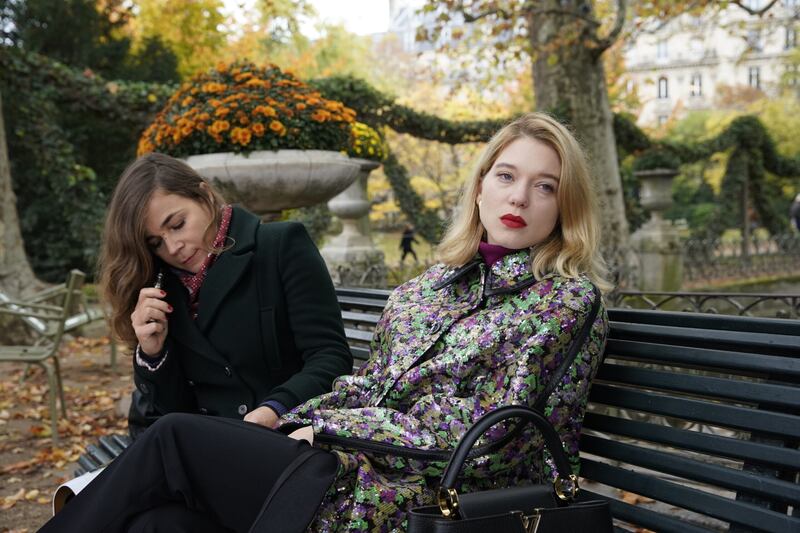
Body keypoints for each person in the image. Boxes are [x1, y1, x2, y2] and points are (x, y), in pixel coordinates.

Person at [40, 113, 611, 532]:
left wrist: (329, 429)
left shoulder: (564, 300)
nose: (521, 197)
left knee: (173, 439)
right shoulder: (425, 289)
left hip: (433, 499)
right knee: (158, 526)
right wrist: (302, 421)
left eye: (545, 186)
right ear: (481, 186)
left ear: (565, 204)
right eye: (507, 177)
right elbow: (364, 385)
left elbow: (492, 431)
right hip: (348, 470)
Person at [97, 153, 353, 436]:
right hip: (202, 448)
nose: (172, 247)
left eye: (177, 224)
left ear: (204, 194)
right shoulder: (161, 291)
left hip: (283, 437)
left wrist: (275, 408)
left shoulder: (279, 246)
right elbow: (165, 412)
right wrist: (153, 354)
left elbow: (330, 356)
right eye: (156, 242)